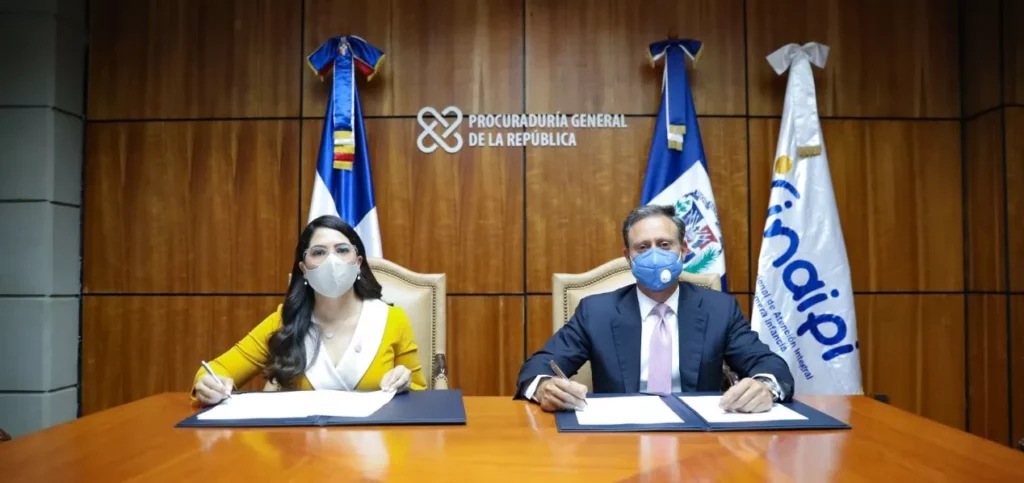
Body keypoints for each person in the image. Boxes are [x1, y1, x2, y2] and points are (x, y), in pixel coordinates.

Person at [516, 205, 794, 413]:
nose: (654, 255)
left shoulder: (718, 309)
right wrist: (544, 386)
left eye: (664, 245)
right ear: (628, 257)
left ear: (683, 250)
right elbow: (538, 367)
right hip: (619, 436)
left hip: (699, 437)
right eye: (642, 247)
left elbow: (770, 365)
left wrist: (765, 386)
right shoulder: (596, 312)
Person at [192, 215, 426, 405]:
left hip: (373, 445)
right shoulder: (285, 320)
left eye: (342, 250)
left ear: (358, 263)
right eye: (319, 252)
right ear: (303, 268)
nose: (332, 260)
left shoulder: (391, 319)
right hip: (301, 446)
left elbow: (421, 396)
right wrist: (207, 385)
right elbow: (214, 371)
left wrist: (404, 383)